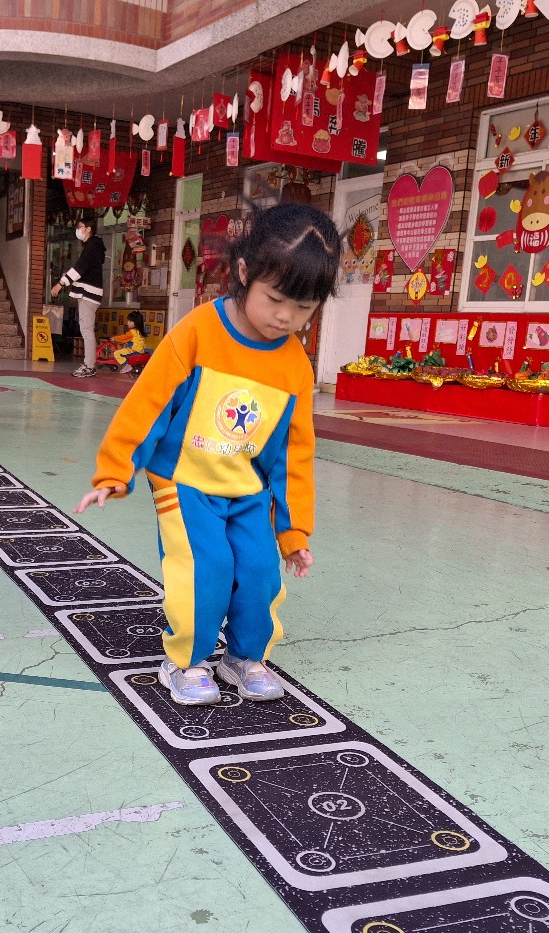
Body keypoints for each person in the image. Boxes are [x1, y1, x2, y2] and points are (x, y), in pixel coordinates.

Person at [74, 203, 340, 707]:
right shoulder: (198, 331)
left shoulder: (295, 366)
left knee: (260, 572)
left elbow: (294, 454)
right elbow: (148, 404)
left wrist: (293, 531)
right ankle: (186, 662)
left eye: (304, 308)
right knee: (207, 567)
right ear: (244, 272)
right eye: (275, 299)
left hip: (247, 489)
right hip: (185, 482)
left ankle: (244, 657)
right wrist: (116, 470)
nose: (286, 317)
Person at [51, 214, 105, 378]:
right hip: (90, 294)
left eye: (79, 227)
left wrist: (61, 283)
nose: (77, 230)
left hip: (89, 295)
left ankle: (89, 365)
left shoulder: (92, 246)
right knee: (86, 329)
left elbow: (80, 268)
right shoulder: (93, 246)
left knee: (86, 330)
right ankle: (89, 364)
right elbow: (83, 269)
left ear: (88, 229)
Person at [110, 310, 150, 374]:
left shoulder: (132, 332)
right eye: (128, 321)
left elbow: (123, 338)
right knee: (125, 349)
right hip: (141, 351)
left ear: (136, 323)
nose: (127, 323)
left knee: (117, 353)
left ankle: (126, 365)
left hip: (134, 351)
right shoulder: (140, 332)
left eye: (130, 321)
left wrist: (114, 338)